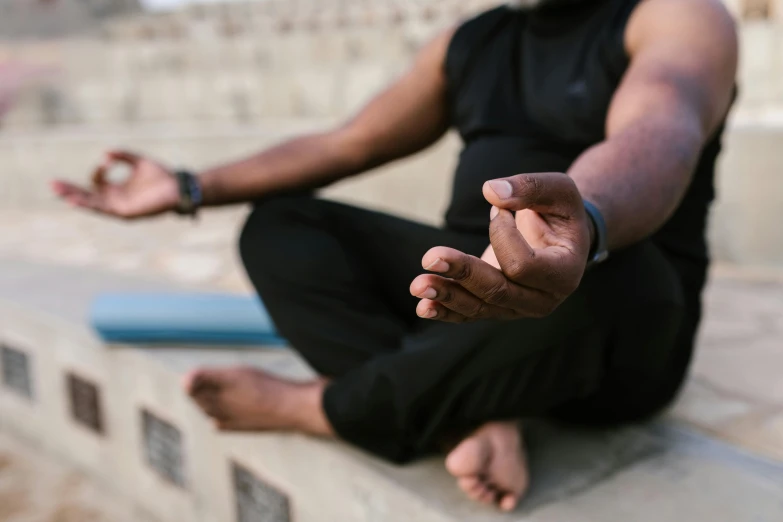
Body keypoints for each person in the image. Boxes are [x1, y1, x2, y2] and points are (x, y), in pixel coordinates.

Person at [52, 0, 737, 512]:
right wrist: (191, 186)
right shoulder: (472, 42)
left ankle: (324, 408)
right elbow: (345, 144)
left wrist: (583, 223)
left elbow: (661, 123)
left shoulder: (674, 15)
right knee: (281, 227)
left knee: (628, 274)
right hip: (468, 303)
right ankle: (464, 411)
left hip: (610, 320)